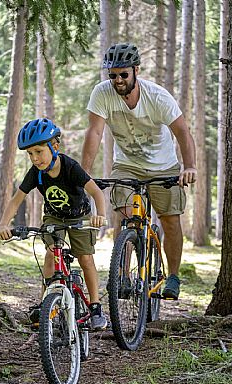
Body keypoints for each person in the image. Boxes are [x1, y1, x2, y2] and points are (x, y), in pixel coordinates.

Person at [81, 43, 197, 300]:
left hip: (163, 165)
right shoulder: (102, 94)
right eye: (112, 75)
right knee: (125, 214)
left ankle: (174, 276)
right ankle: (122, 275)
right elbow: (95, 132)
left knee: (170, 219)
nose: (118, 80)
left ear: (136, 70)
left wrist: (189, 166)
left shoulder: (157, 97)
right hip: (127, 164)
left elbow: (183, 133)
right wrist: (84, 173)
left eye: (123, 74)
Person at [0, 118, 107, 330]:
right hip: (54, 217)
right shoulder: (36, 173)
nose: (34, 158)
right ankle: (45, 303)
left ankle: (95, 306)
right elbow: (16, 199)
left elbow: (95, 192)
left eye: (38, 151)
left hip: (79, 216)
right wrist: (4, 224)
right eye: (30, 154)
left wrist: (100, 214)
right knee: (51, 253)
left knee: (85, 258)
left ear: (54, 146)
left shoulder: (71, 167)